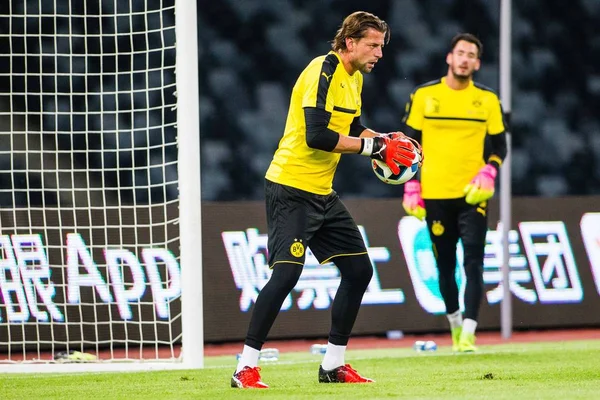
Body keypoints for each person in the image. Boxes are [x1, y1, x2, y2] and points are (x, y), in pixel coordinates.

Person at [231, 11, 421, 389]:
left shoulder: (352, 80)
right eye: (373, 45)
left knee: (359, 271)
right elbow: (317, 136)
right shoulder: (324, 70)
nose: (380, 54)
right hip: (291, 187)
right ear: (350, 42)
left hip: (322, 192)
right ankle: (244, 368)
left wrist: (385, 138)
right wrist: (375, 147)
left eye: (381, 46)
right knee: (286, 275)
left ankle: (333, 365)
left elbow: (348, 127)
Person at [401, 33, 507, 353]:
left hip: (472, 195)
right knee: (445, 266)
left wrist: (490, 169)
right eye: (459, 53)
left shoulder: (487, 100)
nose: (464, 59)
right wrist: (411, 184)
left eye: (470, 55)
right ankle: (456, 323)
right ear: (449, 57)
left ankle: (470, 334)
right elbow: (408, 143)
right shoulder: (424, 96)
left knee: (474, 262)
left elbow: (499, 144)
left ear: (477, 63)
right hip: (434, 194)